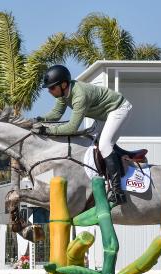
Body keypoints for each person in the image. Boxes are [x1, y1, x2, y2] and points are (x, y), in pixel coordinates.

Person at [33, 64, 133, 206]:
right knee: (91, 143)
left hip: (118, 109)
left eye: (51, 87)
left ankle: (118, 192)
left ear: (63, 84)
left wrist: (46, 131)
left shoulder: (79, 95)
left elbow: (72, 127)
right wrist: (39, 120)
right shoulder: (63, 94)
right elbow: (55, 114)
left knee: (104, 145)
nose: (49, 91)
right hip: (104, 115)